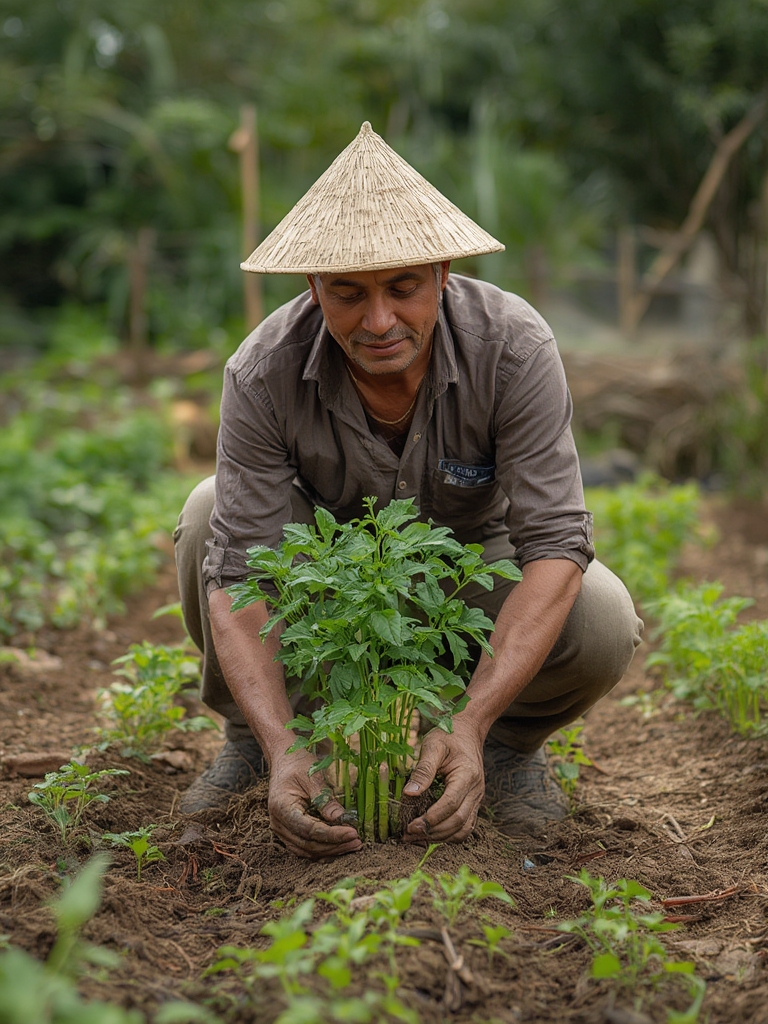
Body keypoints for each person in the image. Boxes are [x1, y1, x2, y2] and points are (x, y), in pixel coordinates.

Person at [174, 122, 643, 859]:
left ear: (443, 273)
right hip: (334, 582)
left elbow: (555, 545)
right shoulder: (261, 370)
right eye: (348, 294)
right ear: (313, 287)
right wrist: (283, 740)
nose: (380, 320)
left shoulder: (513, 348)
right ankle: (257, 746)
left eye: (402, 288)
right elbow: (240, 577)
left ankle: (506, 749)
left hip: (467, 575)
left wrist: (472, 717)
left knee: (603, 615)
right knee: (209, 517)